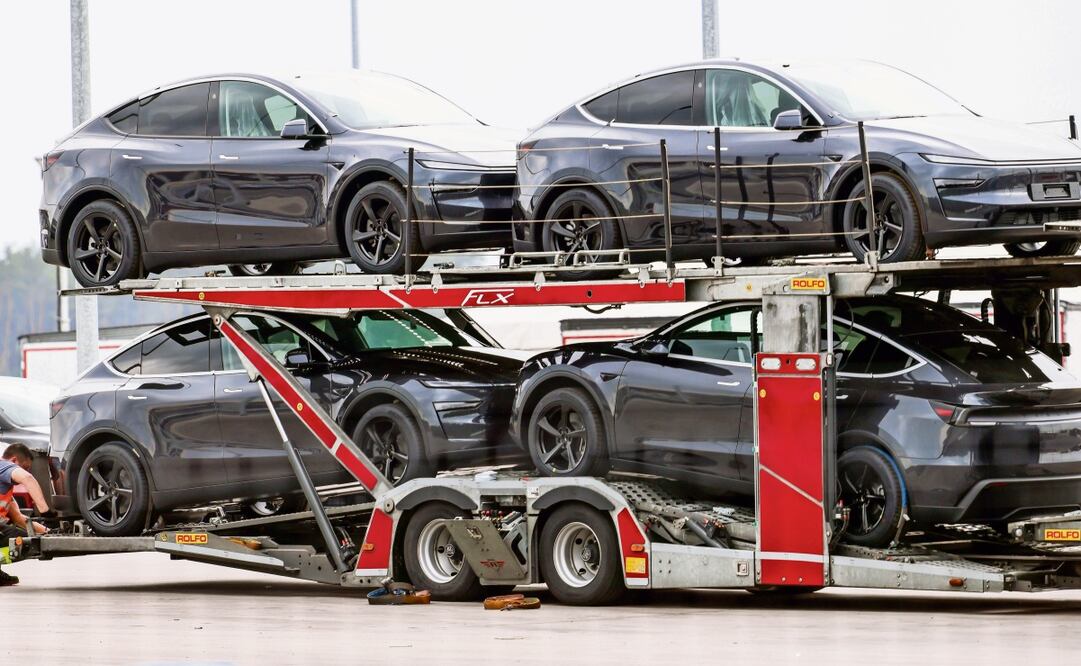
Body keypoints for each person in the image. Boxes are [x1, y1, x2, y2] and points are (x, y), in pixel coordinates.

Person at [0, 443, 54, 586]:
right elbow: (28, 479)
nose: (24, 471)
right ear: (13, 461)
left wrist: (49, 532)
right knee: (23, 543)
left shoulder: (5, 489)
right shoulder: (3, 466)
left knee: (24, 540)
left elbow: (19, 519)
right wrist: (46, 511)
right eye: (24, 467)